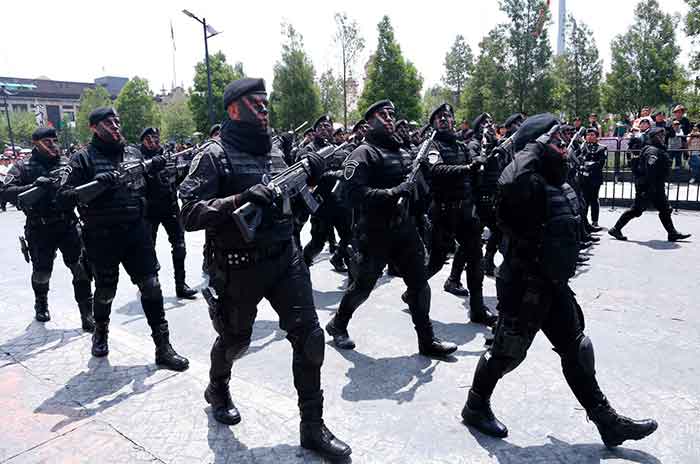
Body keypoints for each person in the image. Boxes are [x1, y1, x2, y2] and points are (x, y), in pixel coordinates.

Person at [461, 114, 659, 448]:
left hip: (552, 283)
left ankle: (606, 421)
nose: (563, 144)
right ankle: (475, 405)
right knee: (507, 353)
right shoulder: (523, 182)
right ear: (536, 145)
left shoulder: (554, 177)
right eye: (556, 139)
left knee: (577, 348)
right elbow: (509, 184)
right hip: (523, 285)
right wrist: (534, 145)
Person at [178, 78, 351, 460]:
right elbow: (188, 212)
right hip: (238, 266)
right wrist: (238, 198)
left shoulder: (273, 148)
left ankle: (312, 426)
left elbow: (290, 196)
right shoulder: (213, 154)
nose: (264, 108)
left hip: (285, 258)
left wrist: (313, 173)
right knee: (236, 341)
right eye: (255, 103)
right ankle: (218, 386)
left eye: (266, 102)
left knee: (310, 339)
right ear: (233, 109)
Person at [59, 107, 189, 371]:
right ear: (93, 127)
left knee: (151, 286)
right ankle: (101, 332)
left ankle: (163, 347)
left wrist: (157, 172)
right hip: (101, 236)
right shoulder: (82, 159)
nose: (116, 126)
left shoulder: (133, 154)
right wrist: (98, 184)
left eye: (117, 121)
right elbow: (64, 197)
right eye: (109, 123)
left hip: (136, 232)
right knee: (106, 290)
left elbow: (152, 191)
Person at [325, 99, 458, 358]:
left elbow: (416, 189)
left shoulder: (403, 151)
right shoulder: (363, 153)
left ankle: (427, 340)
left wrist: (421, 187)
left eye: (391, 114)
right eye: (383, 115)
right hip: (375, 232)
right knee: (362, 287)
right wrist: (390, 193)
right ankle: (338, 323)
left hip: (404, 230)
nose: (389, 118)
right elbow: (352, 195)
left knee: (420, 284)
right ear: (369, 122)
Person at [1, 127, 94, 330]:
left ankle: (87, 314)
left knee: (81, 269)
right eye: (47, 142)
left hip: (68, 224)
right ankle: (41, 302)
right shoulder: (23, 167)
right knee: (42, 272)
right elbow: (5, 192)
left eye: (54, 141)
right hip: (39, 228)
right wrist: (34, 186)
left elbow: (83, 189)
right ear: (36, 144)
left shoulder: (66, 164)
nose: (53, 145)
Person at [424, 104, 497, 325]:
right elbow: (436, 171)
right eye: (439, 117)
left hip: (465, 211)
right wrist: (467, 169)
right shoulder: (431, 145)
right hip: (443, 212)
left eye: (448, 116)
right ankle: (413, 289)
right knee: (436, 261)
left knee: (475, 259)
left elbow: (475, 178)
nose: (444, 120)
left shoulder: (461, 146)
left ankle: (477, 308)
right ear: (433, 123)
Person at [128, 127, 197, 299]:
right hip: (149, 211)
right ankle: (153, 284)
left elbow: (178, 179)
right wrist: (150, 169)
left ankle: (181, 285)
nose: (154, 142)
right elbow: (134, 183)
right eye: (149, 139)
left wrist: (186, 168)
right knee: (149, 249)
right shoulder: (137, 159)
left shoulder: (168, 155)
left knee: (180, 246)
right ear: (143, 141)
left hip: (170, 207)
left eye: (156, 139)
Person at [608, 126, 691, 242]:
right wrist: (650, 189)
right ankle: (615, 229)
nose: (662, 138)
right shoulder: (652, 151)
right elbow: (650, 171)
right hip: (648, 186)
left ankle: (672, 233)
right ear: (653, 138)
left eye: (663, 135)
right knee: (636, 210)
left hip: (656, 185)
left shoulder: (657, 149)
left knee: (665, 209)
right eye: (659, 136)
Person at [579, 128, 607, 228]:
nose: (590, 137)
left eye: (592, 135)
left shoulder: (602, 148)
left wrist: (588, 166)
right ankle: (584, 221)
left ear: (596, 137)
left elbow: (600, 163)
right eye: (588, 135)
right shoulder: (582, 147)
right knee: (584, 200)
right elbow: (579, 159)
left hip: (594, 178)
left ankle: (595, 221)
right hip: (583, 177)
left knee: (594, 200)